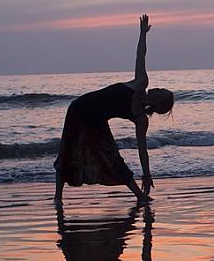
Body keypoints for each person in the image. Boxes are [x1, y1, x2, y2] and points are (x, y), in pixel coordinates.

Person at [54, 14, 174, 205]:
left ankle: (140, 196)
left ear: (158, 105)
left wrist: (147, 174)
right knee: (68, 152)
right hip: (80, 108)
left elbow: (142, 150)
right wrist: (143, 34)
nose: (157, 89)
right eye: (160, 89)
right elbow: (140, 55)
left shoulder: (141, 119)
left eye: (160, 93)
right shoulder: (140, 82)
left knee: (111, 156)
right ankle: (57, 198)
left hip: (97, 120)